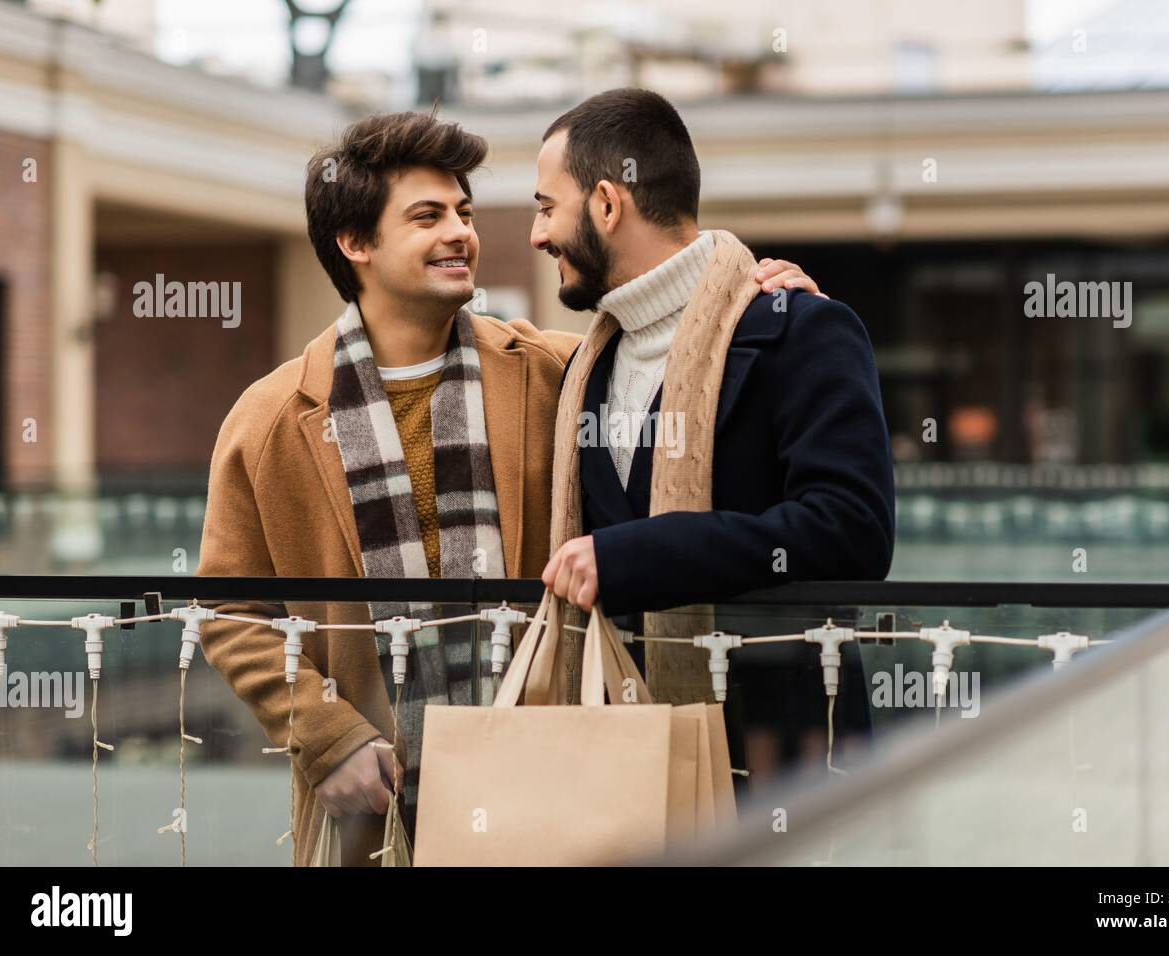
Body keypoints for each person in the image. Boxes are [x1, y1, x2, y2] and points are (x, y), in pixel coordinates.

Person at [196, 107, 824, 864]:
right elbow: (230, 610)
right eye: (428, 216)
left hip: (542, 780)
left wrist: (761, 296)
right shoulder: (269, 418)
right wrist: (325, 736)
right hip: (374, 801)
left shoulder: (558, 368)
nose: (461, 232)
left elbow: (678, 332)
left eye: (463, 212)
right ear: (355, 243)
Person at [536, 89, 895, 779]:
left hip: (782, 763)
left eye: (547, 207)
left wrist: (640, 554)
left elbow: (853, 530)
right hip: (625, 766)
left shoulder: (800, 326)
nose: (537, 234)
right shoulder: (581, 364)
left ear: (608, 204)